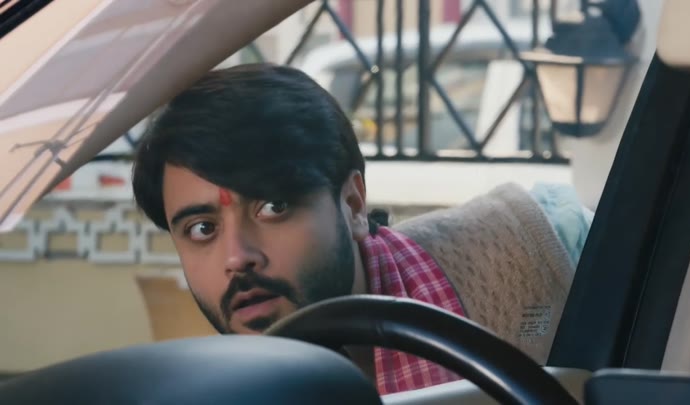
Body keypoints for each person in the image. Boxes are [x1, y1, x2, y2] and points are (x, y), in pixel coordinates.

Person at [131, 63, 593, 395]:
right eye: (202, 229)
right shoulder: (223, 391)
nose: (237, 256)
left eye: (273, 207)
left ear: (353, 204)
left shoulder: (541, 246)